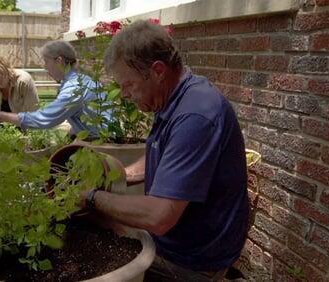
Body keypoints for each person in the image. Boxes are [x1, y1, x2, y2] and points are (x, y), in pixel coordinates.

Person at [80, 20, 249, 281]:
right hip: (180, 240)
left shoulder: (195, 115)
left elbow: (159, 216)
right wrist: (123, 173)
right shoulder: (175, 96)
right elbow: (164, 152)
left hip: (192, 259)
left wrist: (90, 198)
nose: (123, 94)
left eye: (128, 84)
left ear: (158, 71)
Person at [0, 40, 111, 138]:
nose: (45, 67)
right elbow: (86, 117)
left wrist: (0, 115)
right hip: (102, 136)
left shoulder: (74, 88)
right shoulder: (81, 80)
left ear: (59, 61)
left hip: (105, 142)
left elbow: (44, 119)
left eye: (46, 62)